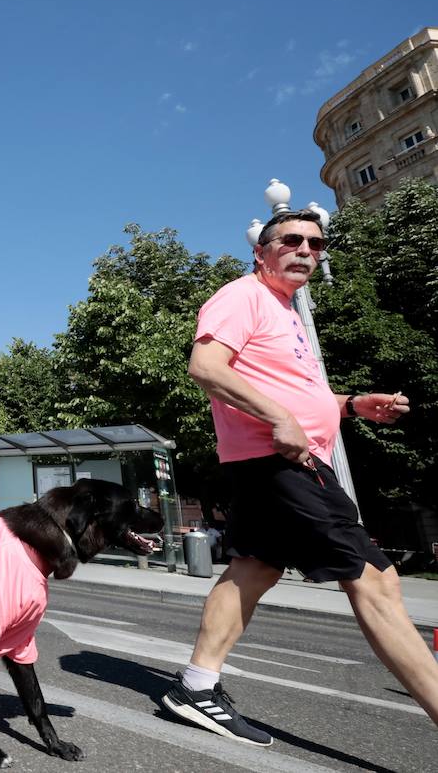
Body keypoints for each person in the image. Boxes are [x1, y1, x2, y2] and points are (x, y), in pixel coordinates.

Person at [161, 208, 438, 743]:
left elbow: (293, 390)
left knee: (254, 568)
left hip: (272, 460)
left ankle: (195, 688)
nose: (307, 250)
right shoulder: (244, 295)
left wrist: (353, 405)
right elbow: (206, 367)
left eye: (316, 244)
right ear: (261, 252)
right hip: (280, 460)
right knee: (376, 579)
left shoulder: (284, 310)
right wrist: (280, 418)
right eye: (291, 240)